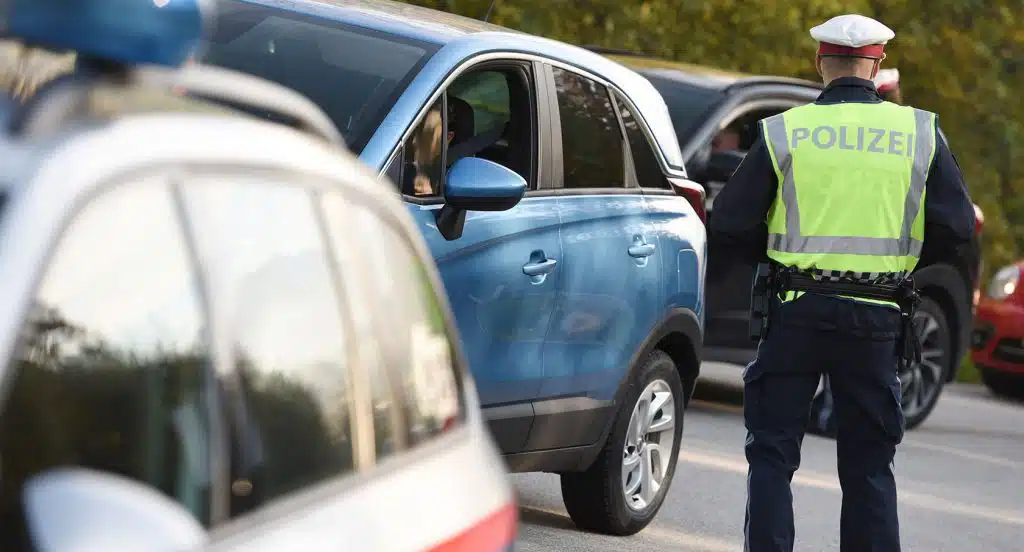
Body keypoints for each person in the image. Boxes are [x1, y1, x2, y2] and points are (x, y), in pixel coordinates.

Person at [707, 14, 975, 552]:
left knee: (773, 455)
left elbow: (729, 223)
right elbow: (958, 228)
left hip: (794, 309)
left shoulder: (786, 130)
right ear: (876, 66)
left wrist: (780, 258)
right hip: (877, 317)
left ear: (819, 63)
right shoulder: (920, 132)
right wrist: (904, 268)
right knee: (869, 464)